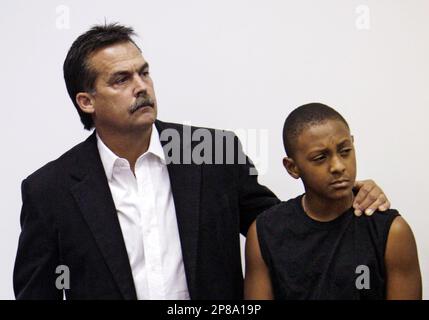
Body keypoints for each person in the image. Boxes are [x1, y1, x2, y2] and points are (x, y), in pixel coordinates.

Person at [14, 24, 390, 300]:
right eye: (121, 79)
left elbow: (282, 229)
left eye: (144, 72)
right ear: (87, 101)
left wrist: (345, 193)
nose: (141, 86)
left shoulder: (211, 151)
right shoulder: (50, 190)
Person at [244, 103, 422, 300]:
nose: (338, 166)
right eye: (320, 157)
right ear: (292, 167)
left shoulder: (391, 232)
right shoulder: (265, 233)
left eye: (345, 151)